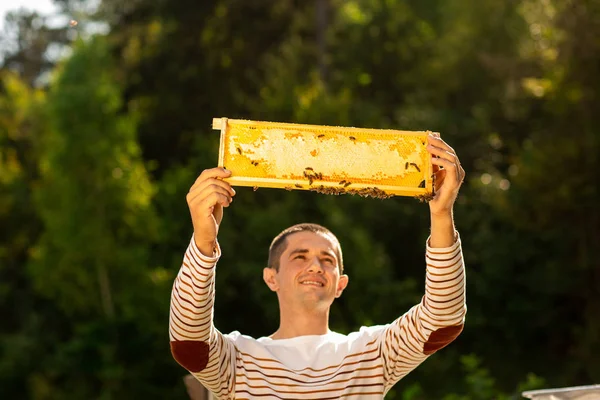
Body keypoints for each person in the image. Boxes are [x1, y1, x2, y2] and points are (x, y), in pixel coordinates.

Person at [169, 133, 467, 399]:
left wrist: (442, 215)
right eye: (299, 256)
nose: (315, 266)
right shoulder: (237, 360)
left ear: (341, 283)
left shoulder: (372, 353)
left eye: (327, 260)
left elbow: (444, 318)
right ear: (271, 278)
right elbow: (186, 340)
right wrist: (204, 241)